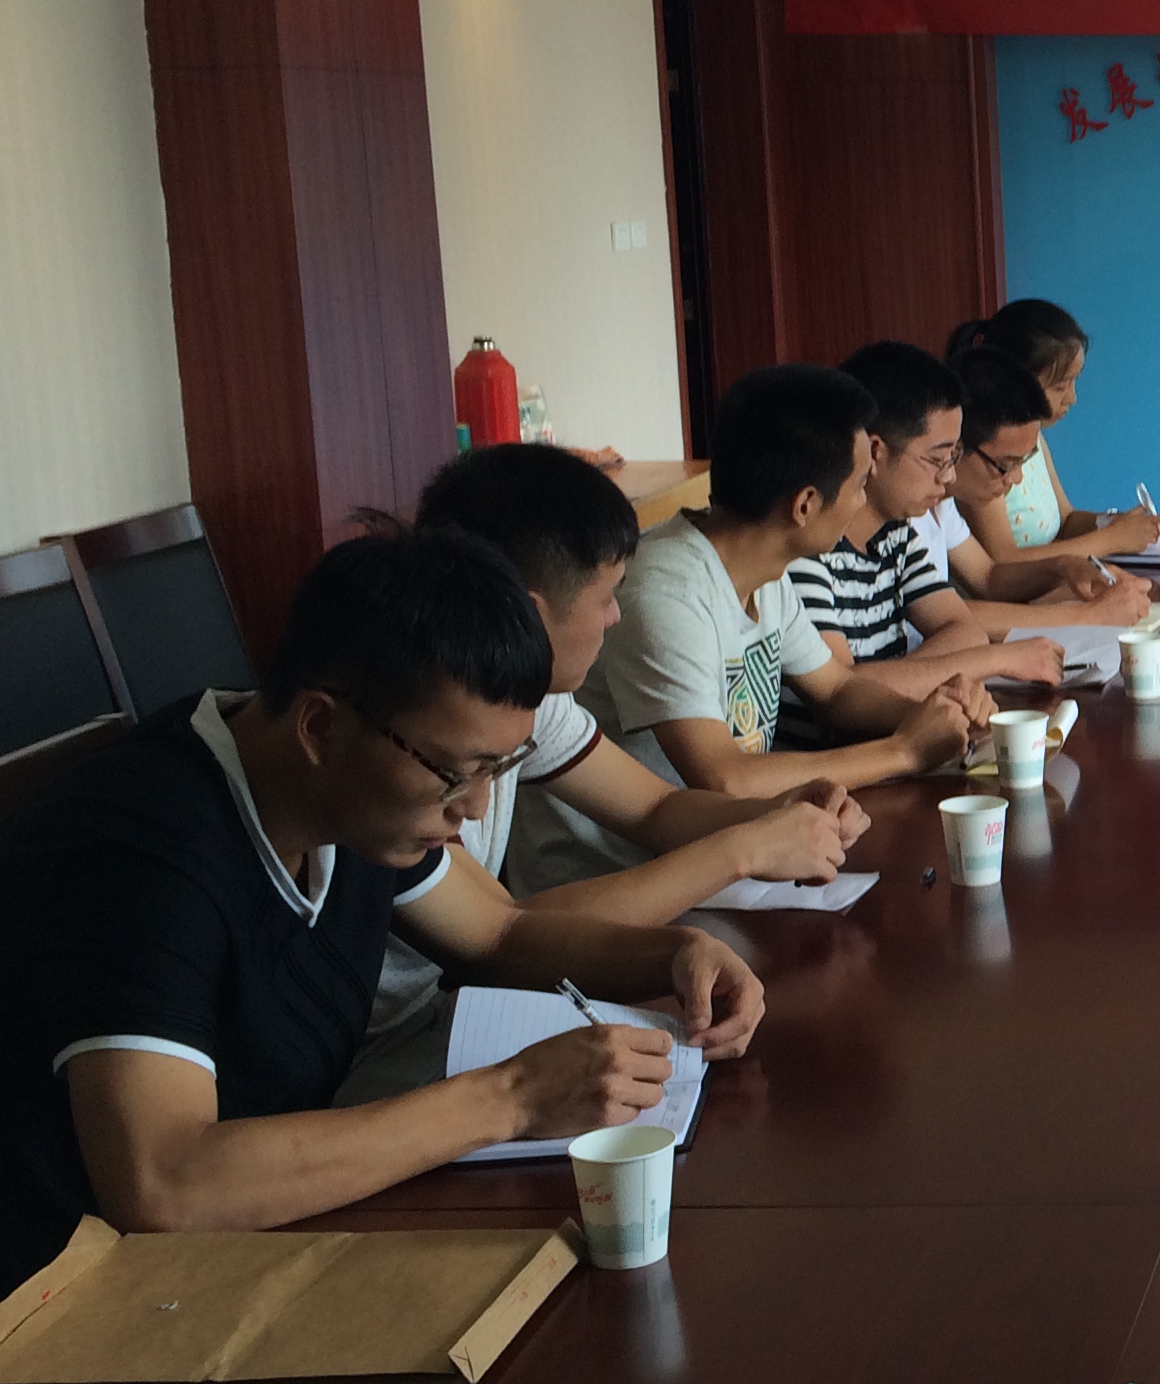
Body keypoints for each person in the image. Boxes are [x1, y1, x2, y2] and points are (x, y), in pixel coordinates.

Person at [0, 530, 765, 1384]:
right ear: (322, 726)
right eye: (458, 772)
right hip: (32, 1346)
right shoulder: (146, 853)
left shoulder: (340, 794)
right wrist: (514, 1096)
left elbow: (498, 932)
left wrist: (672, 955)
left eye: (498, 768)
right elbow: (166, 1185)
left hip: (218, 1266)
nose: (477, 805)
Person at [356, 445, 868, 1066]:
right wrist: (745, 850)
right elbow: (501, 934)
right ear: (529, 612)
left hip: (445, 1012)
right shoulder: (418, 728)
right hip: (388, 1039)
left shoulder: (538, 703)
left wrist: (781, 814)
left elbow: (654, 808)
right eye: (606, 597)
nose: (617, 616)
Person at [512, 363, 986, 890]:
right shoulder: (666, 591)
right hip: (615, 883)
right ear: (805, 505)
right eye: (858, 486)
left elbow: (836, 690)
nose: (862, 501)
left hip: (713, 861)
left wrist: (938, 715)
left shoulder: (764, 570)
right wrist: (904, 750)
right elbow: (725, 779)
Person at [779, 340, 1071, 747]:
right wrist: (995, 659)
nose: (948, 477)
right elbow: (844, 698)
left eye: (954, 458)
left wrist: (906, 682)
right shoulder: (806, 552)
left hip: (895, 746)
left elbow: (965, 630)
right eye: (936, 460)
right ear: (874, 452)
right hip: (836, 766)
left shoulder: (895, 534)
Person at [945, 298, 1160, 582]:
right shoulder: (984, 469)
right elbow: (1001, 562)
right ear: (1017, 381)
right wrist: (1111, 539)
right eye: (1061, 385)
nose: (1072, 398)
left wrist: (1111, 523)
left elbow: (1066, 520)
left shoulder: (1034, 441)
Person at [925, 346, 1152, 622]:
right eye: (1005, 465)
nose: (1016, 478)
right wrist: (1087, 616)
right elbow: (945, 612)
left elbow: (987, 578)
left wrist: (1062, 568)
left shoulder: (942, 506)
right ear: (956, 447)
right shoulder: (909, 509)